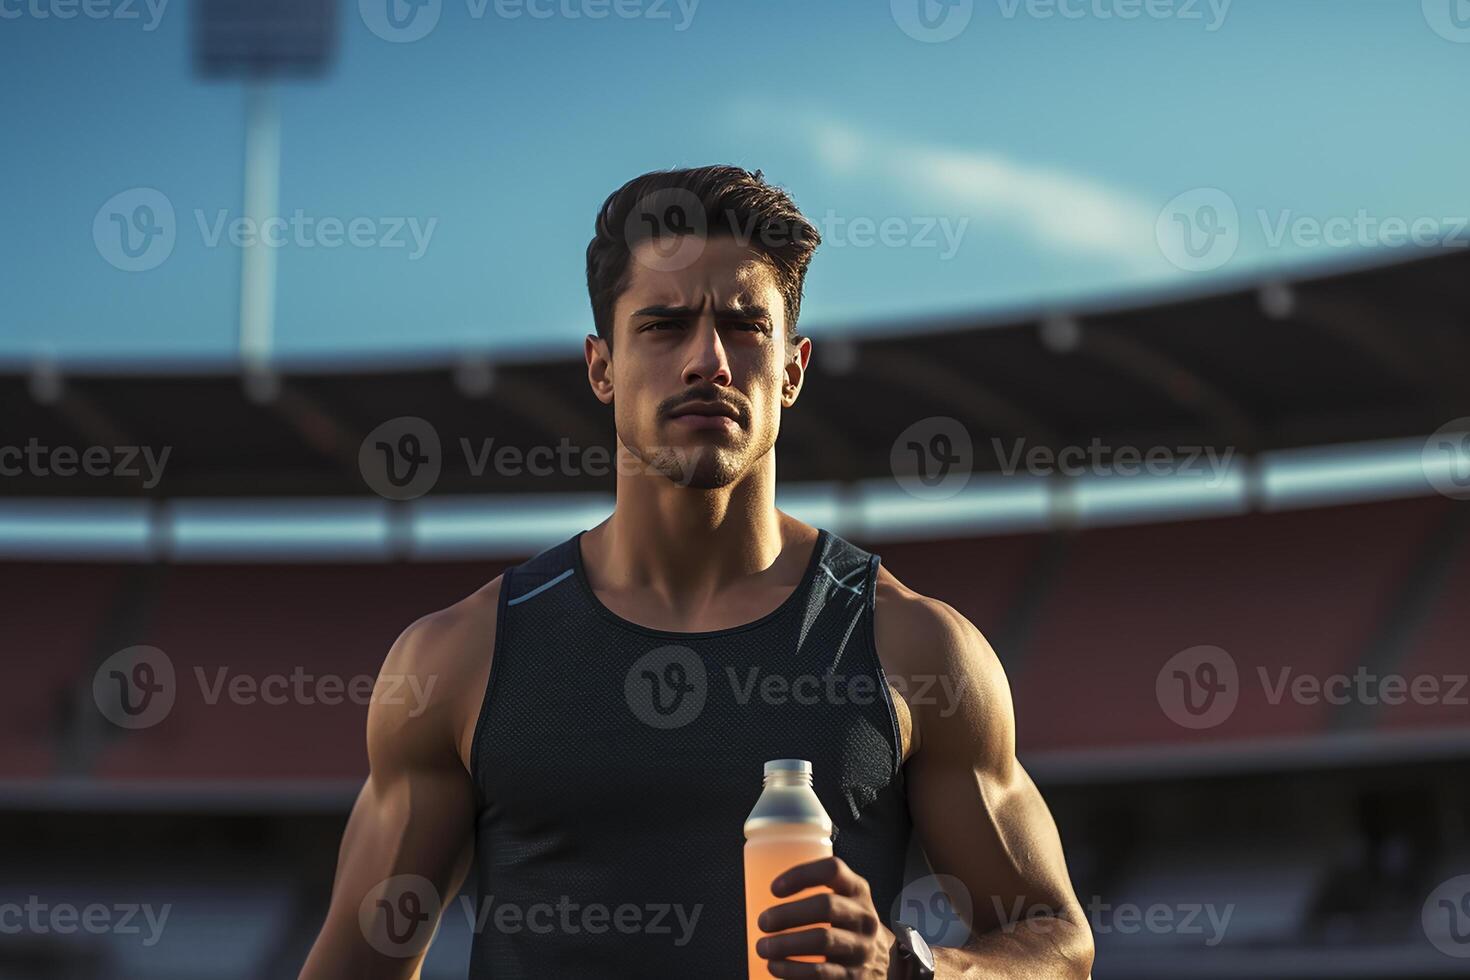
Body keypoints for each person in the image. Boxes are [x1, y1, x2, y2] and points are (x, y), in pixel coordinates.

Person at [300, 166, 1093, 979]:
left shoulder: (917, 649)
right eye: (665, 324)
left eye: (746, 326)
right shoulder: (458, 660)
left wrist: (912, 966)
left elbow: (1059, 946)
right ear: (601, 366)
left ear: (792, 369)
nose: (708, 359)